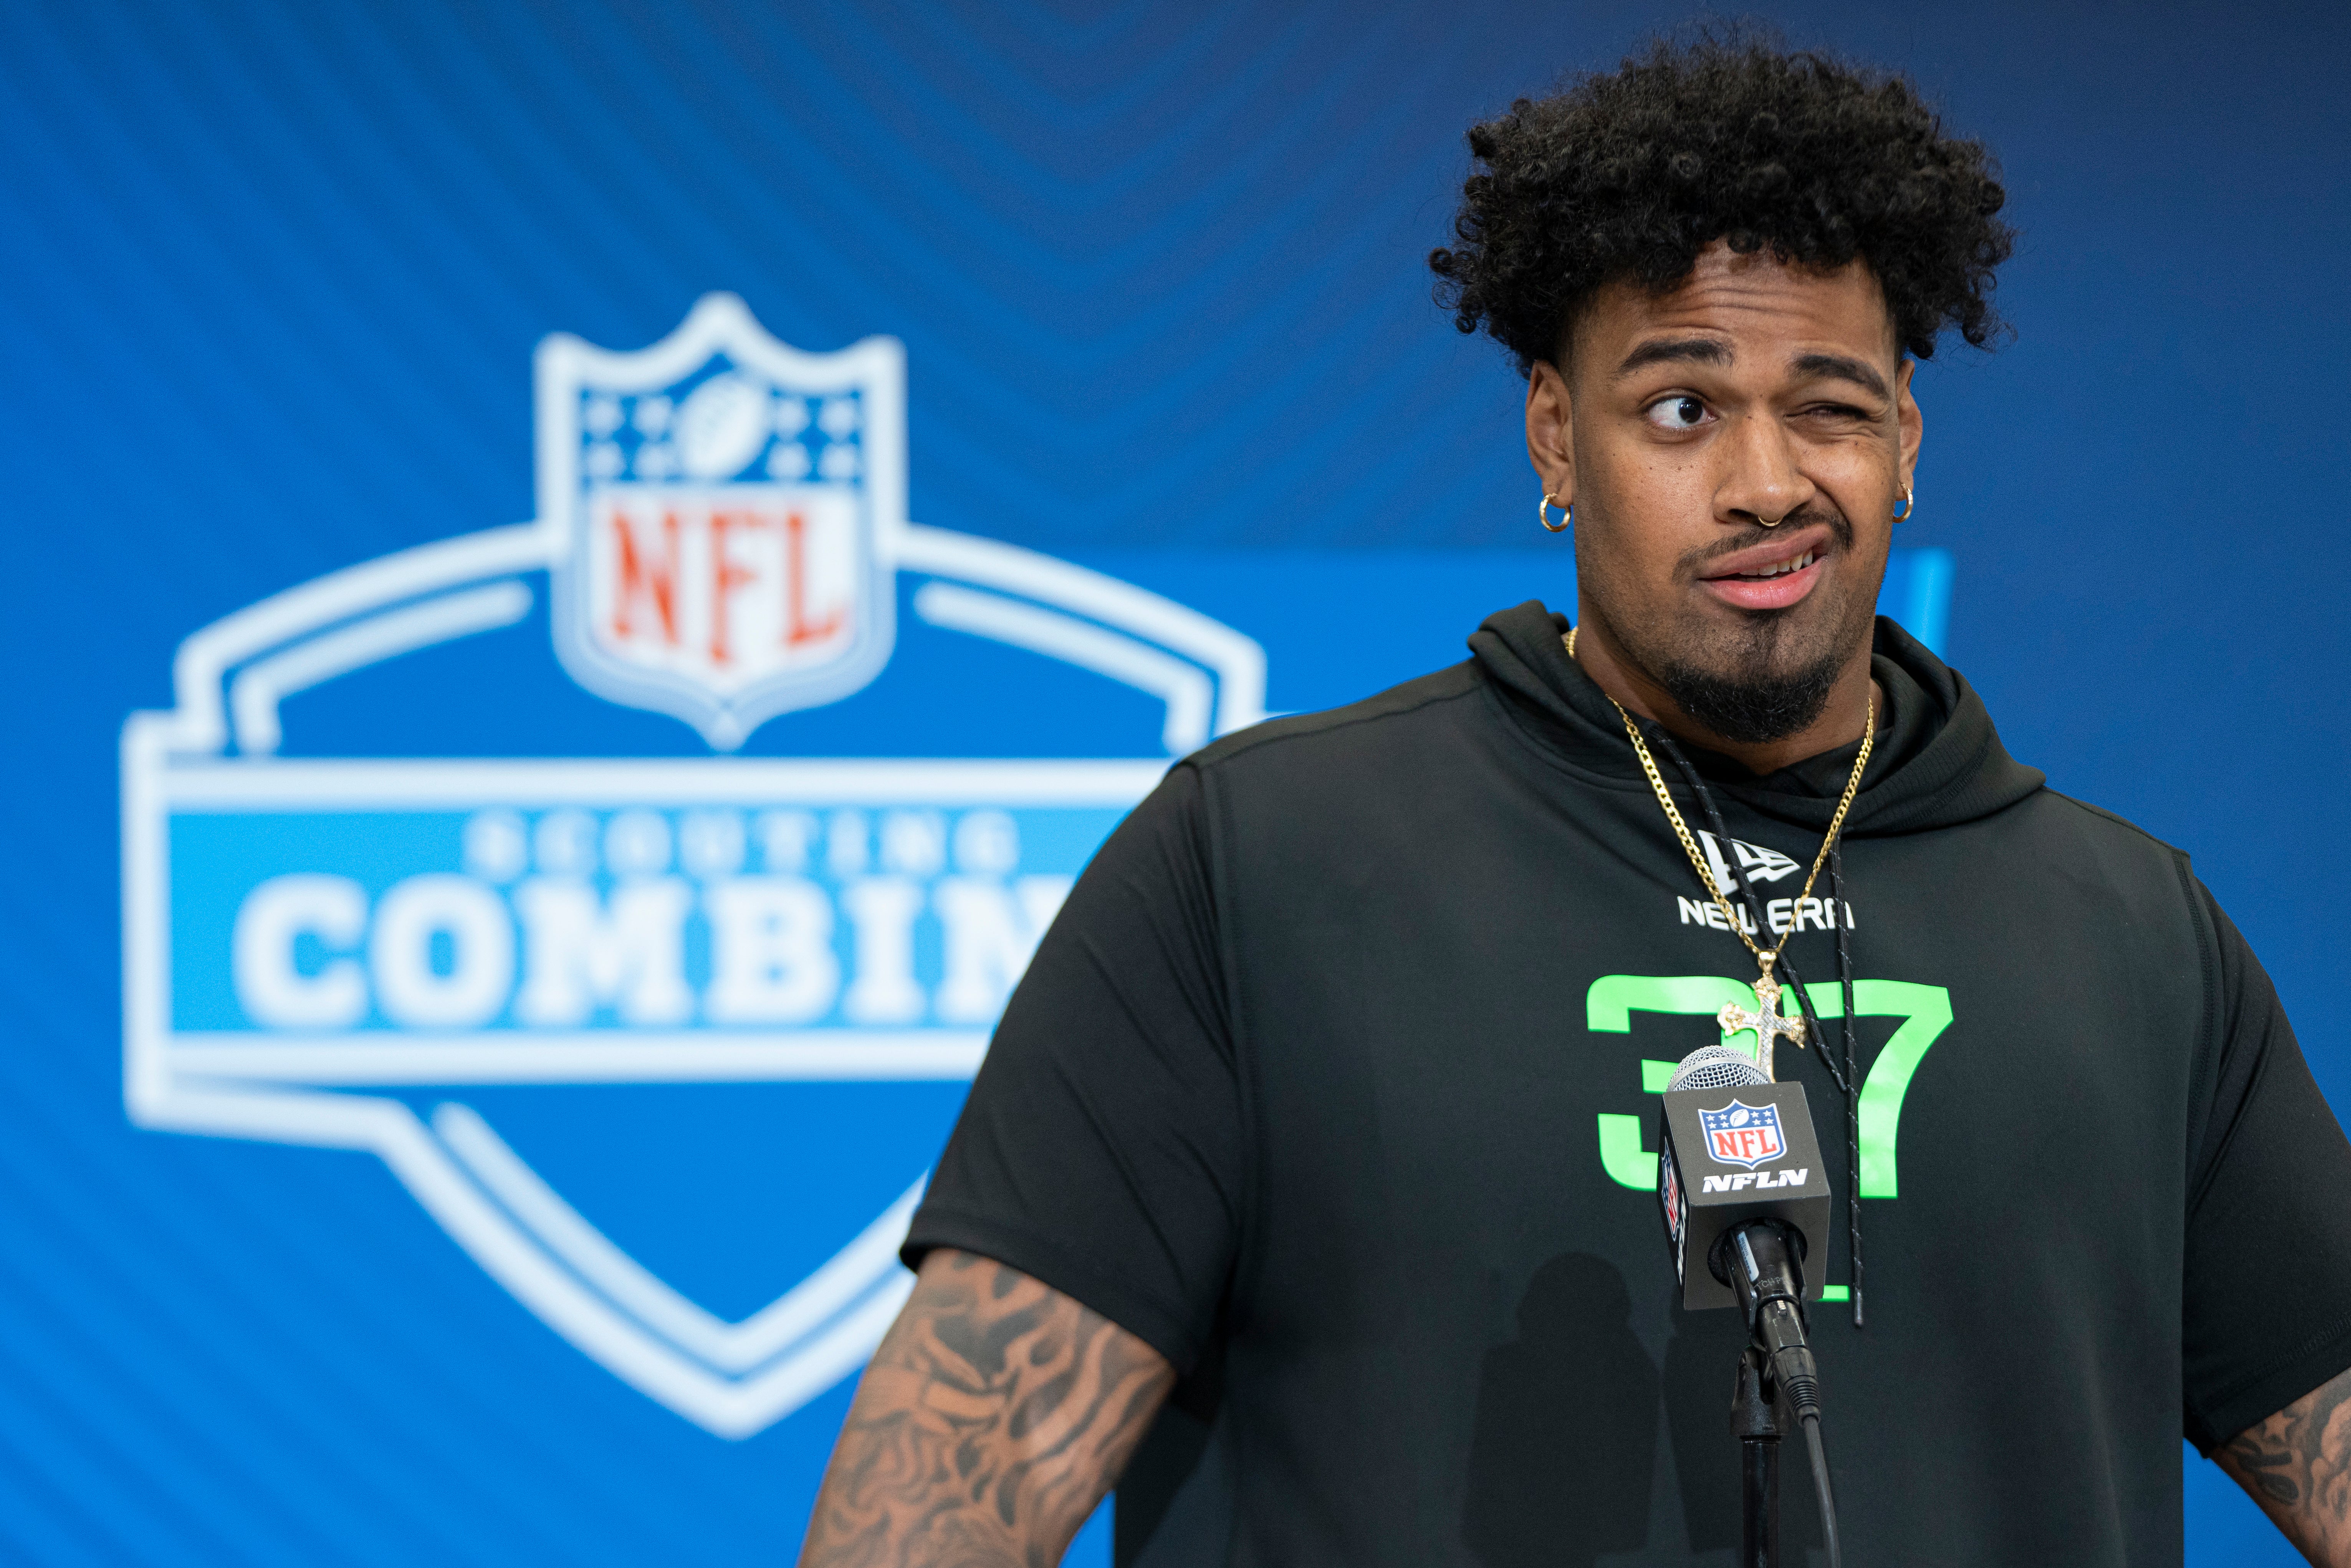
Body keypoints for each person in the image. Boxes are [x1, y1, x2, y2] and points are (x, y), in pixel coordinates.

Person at [796, 36, 2351, 1568]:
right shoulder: (1256, 866)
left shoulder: (2134, 934)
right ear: (1555, 435)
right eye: (1681, 407)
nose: (1763, 482)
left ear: (1905, 444)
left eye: (1828, 407)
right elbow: (938, 1505)